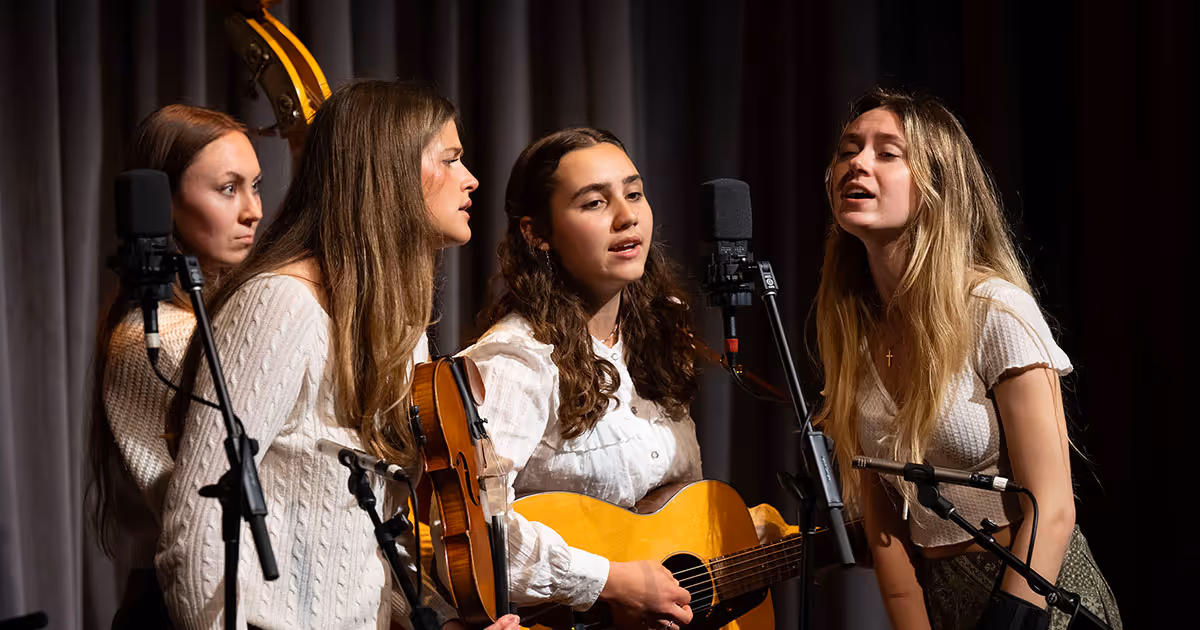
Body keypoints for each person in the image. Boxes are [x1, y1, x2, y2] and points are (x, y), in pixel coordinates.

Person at [157, 80, 517, 630]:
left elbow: (365, 541)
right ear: (389, 171)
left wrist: (440, 623)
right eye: (451, 159)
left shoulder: (396, 327)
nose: (472, 180)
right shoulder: (279, 303)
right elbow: (199, 521)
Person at [814, 88, 1121, 630]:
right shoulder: (853, 336)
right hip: (943, 600)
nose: (857, 163)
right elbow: (888, 536)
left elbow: (1052, 509)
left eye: (887, 153)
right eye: (848, 150)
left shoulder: (996, 311)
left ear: (938, 186)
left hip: (1038, 593)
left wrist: (1009, 617)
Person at [464, 127, 791, 628]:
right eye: (595, 203)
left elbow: (674, 522)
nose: (627, 215)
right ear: (537, 234)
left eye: (634, 193)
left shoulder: (657, 338)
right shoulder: (516, 361)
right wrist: (610, 581)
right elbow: (474, 532)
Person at [88, 104, 263, 627]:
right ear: (162, 204)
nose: (253, 210)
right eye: (228, 189)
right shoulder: (159, 337)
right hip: (180, 608)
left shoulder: (209, 319)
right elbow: (192, 509)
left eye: (256, 185)